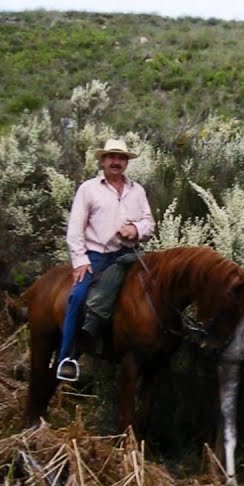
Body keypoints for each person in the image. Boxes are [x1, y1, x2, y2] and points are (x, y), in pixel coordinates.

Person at [56, 138, 155, 381]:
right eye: (111, 157)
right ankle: (66, 357)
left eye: (121, 158)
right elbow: (75, 229)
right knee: (78, 297)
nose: (116, 162)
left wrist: (135, 229)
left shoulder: (137, 190)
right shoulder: (88, 189)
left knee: (155, 292)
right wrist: (80, 261)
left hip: (129, 255)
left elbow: (149, 223)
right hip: (97, 256)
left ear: (126, 163)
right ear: (102, 160)